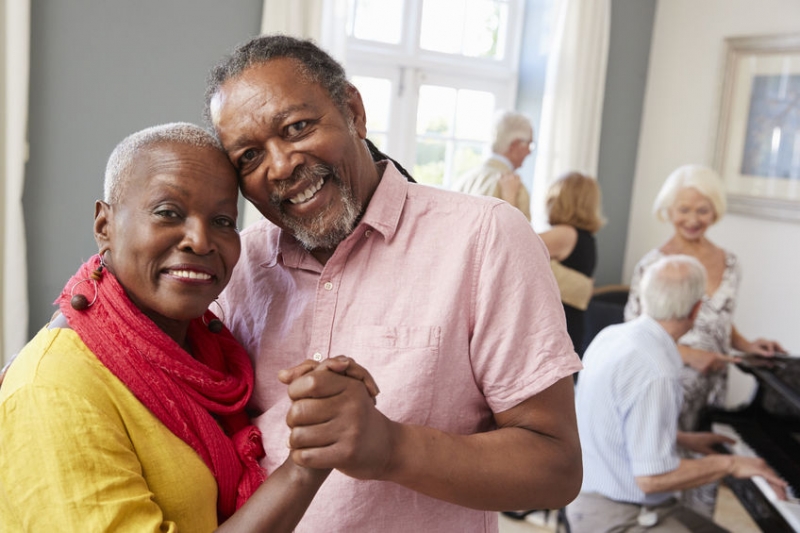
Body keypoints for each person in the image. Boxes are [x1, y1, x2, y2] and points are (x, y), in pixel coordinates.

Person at [204, 34, 583, 532]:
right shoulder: (240, 264)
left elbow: (556, 467)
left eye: (297, 127)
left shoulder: (484, 237)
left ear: (354, 112)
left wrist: (391, 447)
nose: (280, 166)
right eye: (249, 157)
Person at [0, 122, 377, 532]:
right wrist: (304, 466)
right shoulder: (55, 387)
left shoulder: (201, 352)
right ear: (103, 226)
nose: (200, 241)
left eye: (222, 221)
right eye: (168, 213)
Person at [567, 254, 787, 533]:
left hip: (588, 497)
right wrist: (730, 463)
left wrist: (682, 439)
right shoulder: (656, 369)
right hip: (617, 516)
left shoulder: (612, 335)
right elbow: (652, 479)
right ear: (696, 310)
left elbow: (610, 423)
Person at [623, 164, 785, 516]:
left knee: (703, 481)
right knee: (661, 479)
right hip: (667, 387)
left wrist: (747, 344)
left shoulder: (730, 263)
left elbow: (719, 319)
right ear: (668, 210)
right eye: (684, 209)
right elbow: (632, 333)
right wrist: (688, 354)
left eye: (702, 209)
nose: (693, 218)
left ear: (715, 210)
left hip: (711, 391)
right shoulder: (654, 265)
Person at [539, 172, 605, 356]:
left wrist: (509, 198)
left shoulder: (565, 234)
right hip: (572, 325)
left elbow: (516, 242)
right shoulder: (586, 239)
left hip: (556, 328)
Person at [451, 109, 534, 220]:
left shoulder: (465, 179)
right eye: (529, 144)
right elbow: (520, 236)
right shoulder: (516, 187)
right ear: (515, 145)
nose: (530, 151)